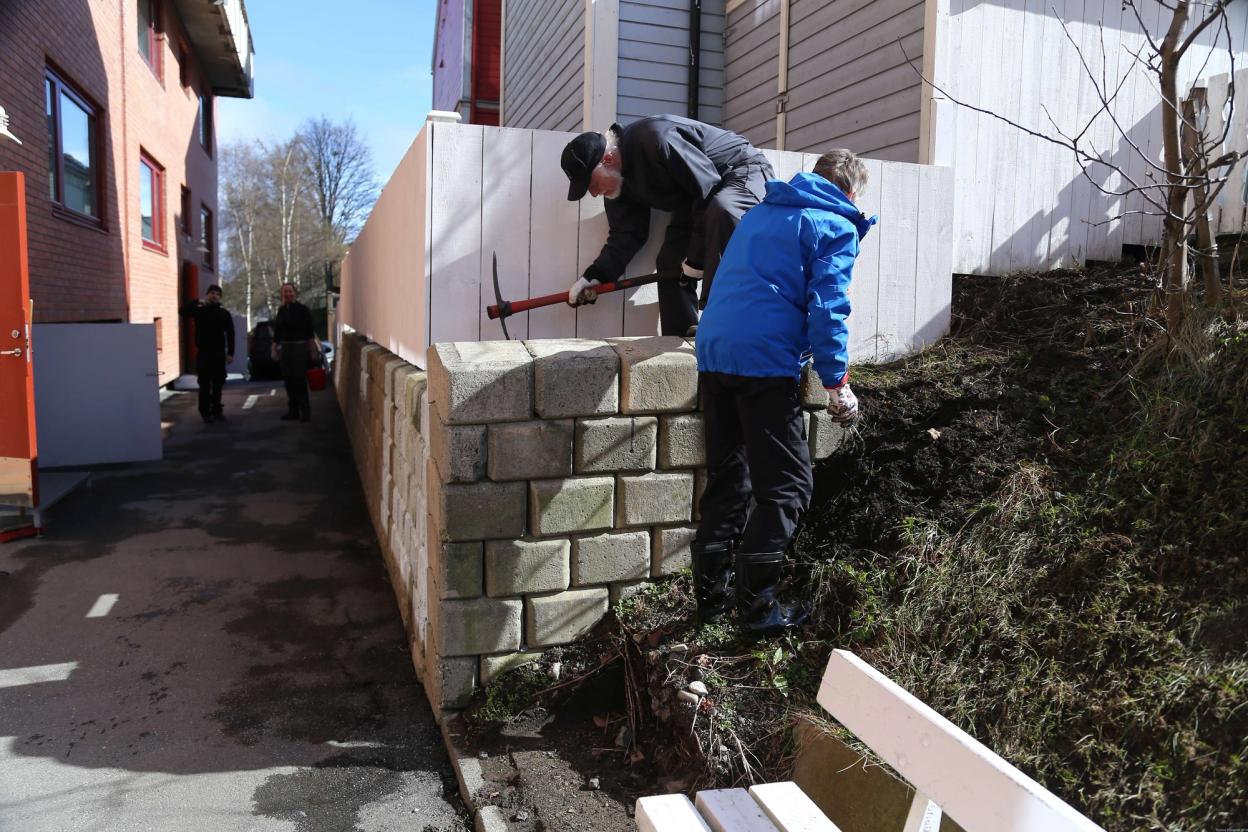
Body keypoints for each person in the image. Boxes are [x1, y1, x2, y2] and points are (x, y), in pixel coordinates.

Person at [690, 149, 874, 635]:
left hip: (714, 351)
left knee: (730, 476)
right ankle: (757, 611)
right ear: (851, 192)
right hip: (763, 362)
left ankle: (711, 600)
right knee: (788, 486)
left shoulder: (761, 215)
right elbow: (829, 309)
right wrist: (838, 384)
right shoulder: (834, 226)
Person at [560, 115, 773, 336]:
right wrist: (596, 275)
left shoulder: (656, 138)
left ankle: (720, 323)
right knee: (671, 262)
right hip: (698, 198)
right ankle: (683, 334)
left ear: (608, 159)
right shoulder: (617, 186)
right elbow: (627, 235)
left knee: (723, 212)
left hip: (740, 171)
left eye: (592, 184)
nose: (594, 193)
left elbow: (707, 187)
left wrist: (696, 260)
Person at [180, 284, 234, 424]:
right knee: (204, 384)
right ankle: (205, 412)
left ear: (220, 297)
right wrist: (197, 301)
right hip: (204, 353)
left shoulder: (224, 313)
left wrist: (231, 353)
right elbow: (182, 311)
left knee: (218, 384)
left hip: (218, 354)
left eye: (217, 294)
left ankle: (217, 410)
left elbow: (230, 333)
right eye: (211, 293)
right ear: (207, 295)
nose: (214, 296)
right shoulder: (200, 310)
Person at [272, 283, 317, 422]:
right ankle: (293, 411)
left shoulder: (303, 310)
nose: (288, 294)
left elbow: (310, 332)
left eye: (290, 291)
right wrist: (274, 348)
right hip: (285, 348)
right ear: (282, 294)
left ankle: (305, 412)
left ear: (295, 293)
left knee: (299, 380)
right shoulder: (281, 310)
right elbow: (277, 332)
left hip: (300, 348)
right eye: (285, 292)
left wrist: (313, 349)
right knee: (288, 380)